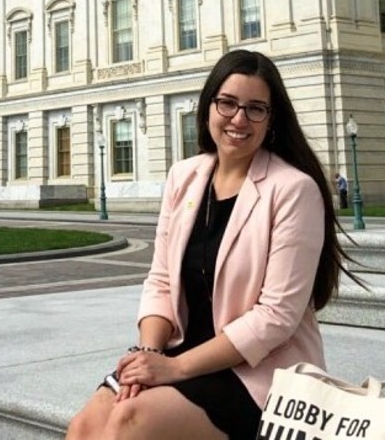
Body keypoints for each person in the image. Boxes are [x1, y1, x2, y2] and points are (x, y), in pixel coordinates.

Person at [66, 50, 357, 440]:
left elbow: (276, 317)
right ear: (208, 108)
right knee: (85, 426)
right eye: (228, 103)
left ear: (271, 120)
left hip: (257, 370)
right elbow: (162, 280)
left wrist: (175, 368)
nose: (239, 118)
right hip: (179, 351)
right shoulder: (184, 176)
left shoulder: (293, 189)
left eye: (256, 109)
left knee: (129, 421)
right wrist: (149, 354)